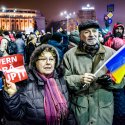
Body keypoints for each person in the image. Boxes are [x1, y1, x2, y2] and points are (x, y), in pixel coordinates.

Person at [63, 20, 125, 125]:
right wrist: (79, 79)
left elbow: (122, 81)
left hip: (104, 109)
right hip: (81, 110)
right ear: (80, 35)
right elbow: (63, 81)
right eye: (87, 32)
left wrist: (111, 81)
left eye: (94, 31)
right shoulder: (69, 56)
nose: (92, 34)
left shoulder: (111, 53)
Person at [3, 44, 76, 125]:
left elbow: (68, 113)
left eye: (51, 59)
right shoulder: (24, 82)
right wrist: (12, 95)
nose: (48, 62)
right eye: (43, 59)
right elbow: (15, 116)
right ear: (35, 62)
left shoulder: (60, 79)